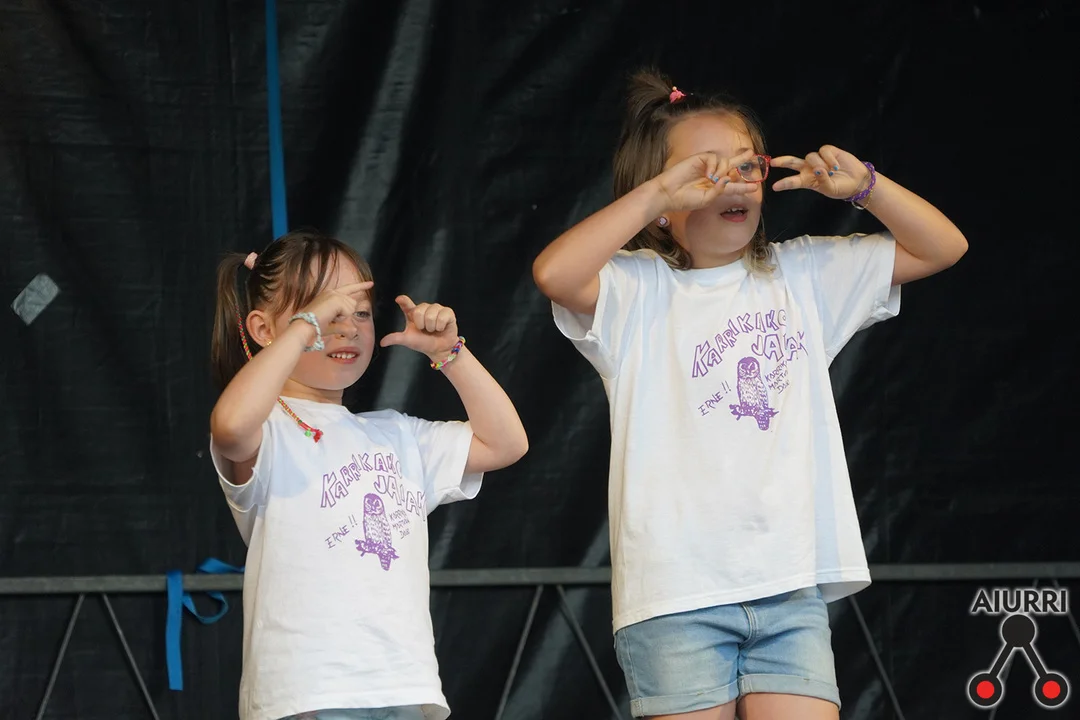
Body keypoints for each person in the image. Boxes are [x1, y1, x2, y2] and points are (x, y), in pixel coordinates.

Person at [532, 69, 967, 720]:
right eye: (705, 171)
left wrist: (866, 188)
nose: (734, 181)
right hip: (676, 596)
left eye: (746, 165)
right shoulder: (636, 289)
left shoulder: (803, 274)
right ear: (662, 198)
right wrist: (658, 193)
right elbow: (554, 273)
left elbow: (944, 247)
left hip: (789, 588)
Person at [209, 229, 528, 720]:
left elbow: (507, 443)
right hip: (308, 695)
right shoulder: (268, 430)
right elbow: (230, 427)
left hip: (404, 688)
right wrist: (303, 330)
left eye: (360, 312)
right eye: (326, 312)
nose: (347, 328)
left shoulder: (395, 434)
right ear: (264, 329)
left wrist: (450, 353)